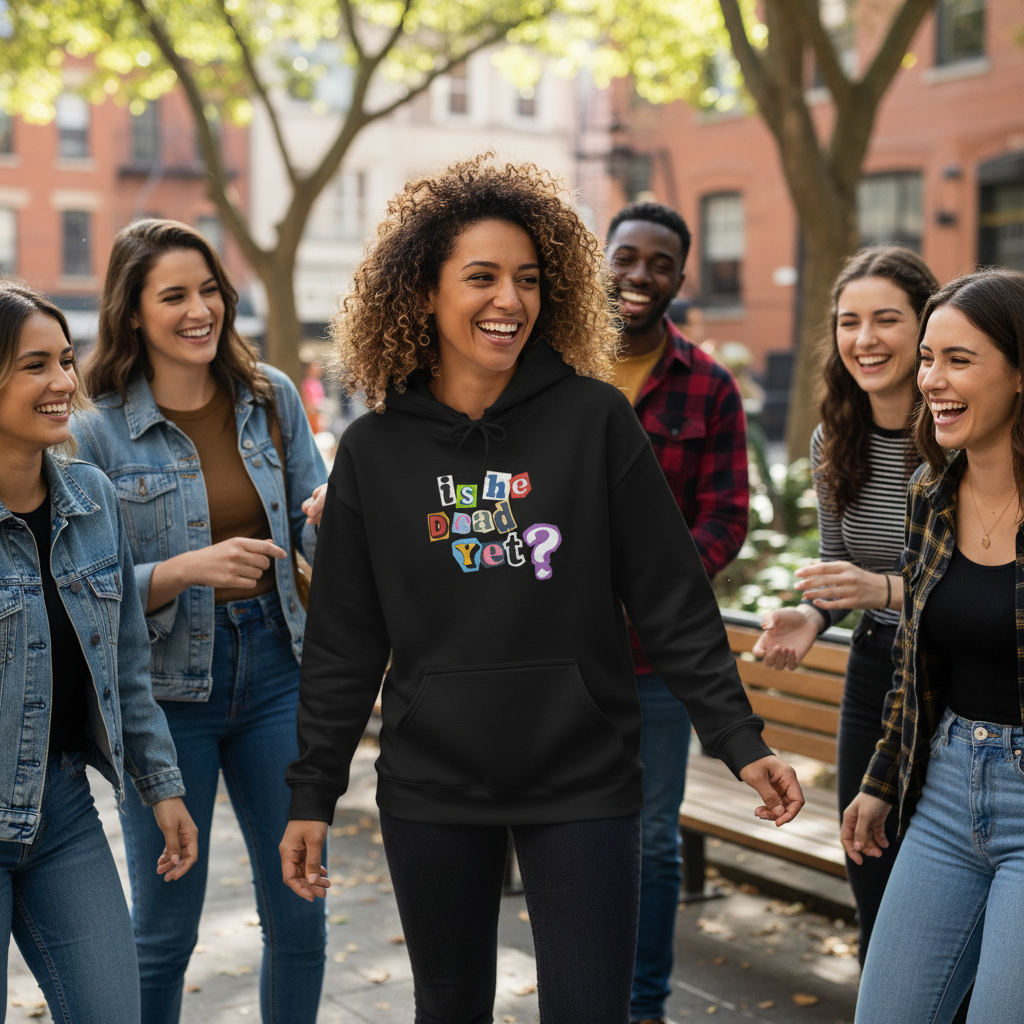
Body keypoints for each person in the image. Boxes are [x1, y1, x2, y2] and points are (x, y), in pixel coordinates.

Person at [280, 156, 804, 1024]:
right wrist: (313, 793)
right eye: (480, 277)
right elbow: (344, 641)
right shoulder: (374, 451)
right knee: (448, 1007)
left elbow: (672, 599)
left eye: (527, 279)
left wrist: (739, 740)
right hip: (434, 781)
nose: (509, 301)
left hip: (583, 777)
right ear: (422, 293)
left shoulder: (597, 420)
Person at [70, 220, 329, 1024]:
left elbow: (315, 529)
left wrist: (338, 514)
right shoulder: (94, 430)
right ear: (133, 311)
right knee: (164, 930)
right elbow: (82, 591)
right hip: (160, 692)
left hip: (277, 668)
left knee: (300, 910)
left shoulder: (271, 398)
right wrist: (184, 571)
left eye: (209, 289)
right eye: (174, 295)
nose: (200, 309)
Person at [0, 281, 197, 1023]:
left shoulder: (91, 498)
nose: (62, 383)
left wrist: (161, 784)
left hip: (62, 815)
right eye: (33, 366)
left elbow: (124, 664)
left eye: (65, 360)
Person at [843, 268, 1024, 1024]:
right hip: (948, 787)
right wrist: (883, 781)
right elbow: (917, 665)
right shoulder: (932, 491)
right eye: (928, 357)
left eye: (959, 359)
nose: (932, 381)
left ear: (1018, 374)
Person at [752, 247, 937, 964]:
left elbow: (987, 581)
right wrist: (813, 616)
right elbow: (845, 569)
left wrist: (880, 591)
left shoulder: (958, 431)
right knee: (872, 866)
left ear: (927, 328)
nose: (865, 339)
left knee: (941, 883)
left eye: (887, 319)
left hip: (958, 675)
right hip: (876, 668)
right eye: (849, 322)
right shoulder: (837, 437)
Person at [604, 202, 750, 1024]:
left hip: (656, 661)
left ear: (679, 279)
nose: (640, 276)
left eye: (660, 264)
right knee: (568, 829)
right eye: (627, 256)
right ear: (601, 260)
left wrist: (654, 585)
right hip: (558, 654)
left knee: (653, 842)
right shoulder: (550, 370)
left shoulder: (710, 385)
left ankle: (644, 1005)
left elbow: (728, 513)